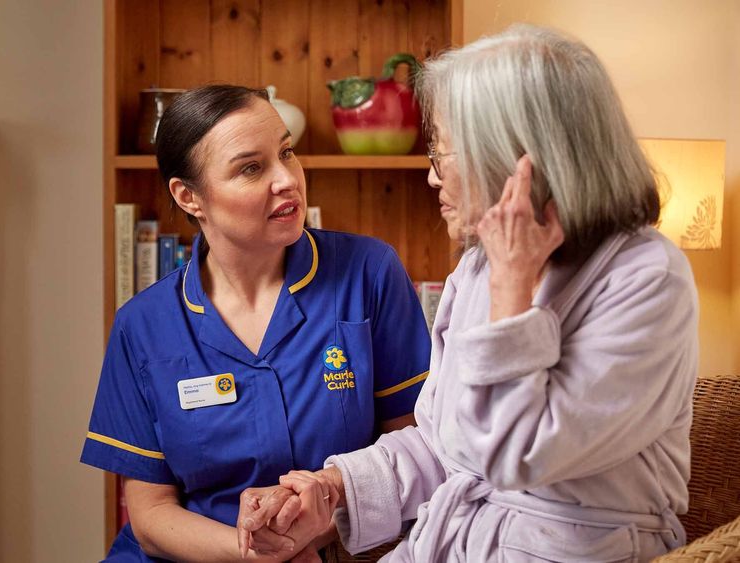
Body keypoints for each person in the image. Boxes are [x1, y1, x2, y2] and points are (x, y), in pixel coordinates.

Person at [242, 25, 699, 562]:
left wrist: (512, 287)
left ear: (514, 159)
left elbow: (515, 456)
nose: (432, 178)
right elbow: (445, 444)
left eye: (441, 152)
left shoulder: (647, 277)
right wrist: (332, 486)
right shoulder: (480, 267)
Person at [80, 85, 432, 562]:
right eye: (251, 168)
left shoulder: (369, 273)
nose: (286, 179)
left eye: (286, 152)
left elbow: (415, 450)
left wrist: (319, 531)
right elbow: (150, 516)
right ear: (189, 197)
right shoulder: (142, 326)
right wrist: (255, 554)